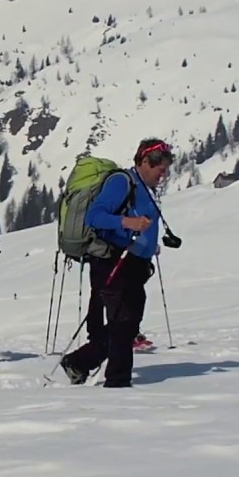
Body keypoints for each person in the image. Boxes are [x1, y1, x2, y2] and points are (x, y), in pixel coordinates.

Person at [60, 138, 172, 387]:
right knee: (122, 323)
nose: (162, 175)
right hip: (114, 261)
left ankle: (80, 362)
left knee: (129, 324)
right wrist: (127, 223)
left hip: (133, 263)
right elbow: (95, 216)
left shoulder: (143, 189)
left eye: (165, 170)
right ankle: (117, 383)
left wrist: (148, 246)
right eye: (159, 169)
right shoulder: (122, 182)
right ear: (144, 161)